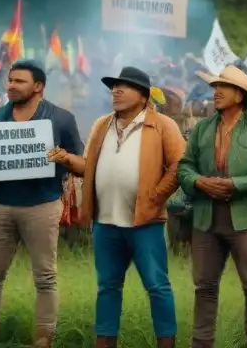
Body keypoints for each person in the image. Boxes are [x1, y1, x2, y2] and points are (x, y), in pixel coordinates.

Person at [47, 66, 185, 348]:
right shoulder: (102, 125)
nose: (116, 91)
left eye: (125, 87)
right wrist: (66, 160)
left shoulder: (162, 125)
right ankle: (105, 341)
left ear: (144, 96)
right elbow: (88, 167)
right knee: (107, 287)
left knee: (157, 286)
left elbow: (180, 165)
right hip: (106, 222)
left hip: (145, 222)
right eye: (114, 87)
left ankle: (166, 343)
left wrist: (157, 195)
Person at [0, 60, 83, 348]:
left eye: (19, 81)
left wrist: (65, 158)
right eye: (10, 80)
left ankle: (44, 339)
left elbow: (84, 165)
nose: (11, 85)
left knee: (45, 277)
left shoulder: (61, 118)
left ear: (39, 86)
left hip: (42, 206)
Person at [177, 65, 247, 348]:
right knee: (205, 287)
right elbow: (185, 167)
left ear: (241, 94)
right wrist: (199, 182)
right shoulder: (202, 128)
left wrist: (236, 184)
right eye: (215, 86)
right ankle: (201, 343)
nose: (216, 92)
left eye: (223, 87)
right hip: (206, 219)